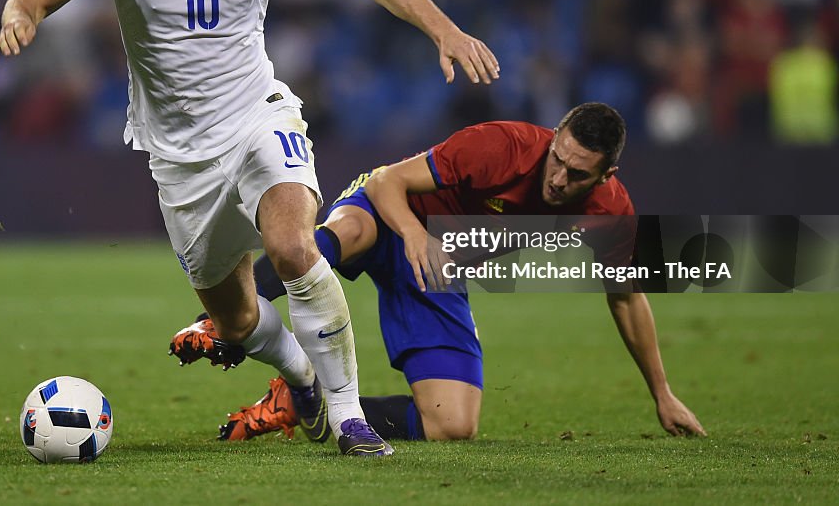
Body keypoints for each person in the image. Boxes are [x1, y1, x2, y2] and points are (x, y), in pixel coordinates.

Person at [0, 0, 499, 456]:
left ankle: (349, 418)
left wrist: (444, 29)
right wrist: (21, 14)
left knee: (292, 246)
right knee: (234, 321)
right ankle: (302, 376)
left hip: (259, 117)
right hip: (179, 158)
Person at [170, 103, 706, 442]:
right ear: (555, 136)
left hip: (437, 265)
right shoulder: (504, 146)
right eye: (558, 159)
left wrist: (661, 392)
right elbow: (386, 184)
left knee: (453, 425)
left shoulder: (612, 213)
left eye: (577, 172)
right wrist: (413, 235)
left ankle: (295, 401)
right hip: (389, 218)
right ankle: (213, 320)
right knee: (338, 236)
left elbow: (627, 299)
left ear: (607, 174)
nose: (559, 178)